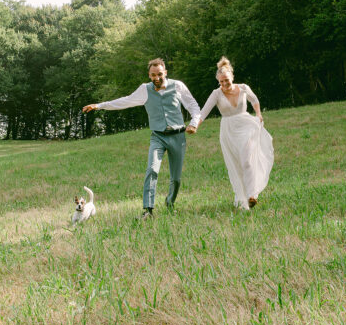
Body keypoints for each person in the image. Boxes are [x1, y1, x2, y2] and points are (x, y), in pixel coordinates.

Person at [83, 58, 201, 219]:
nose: (157, 78)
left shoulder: (178, 86)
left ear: (165, 73)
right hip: (158, 137)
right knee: (152, 170)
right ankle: (148, 210)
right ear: (149, 75)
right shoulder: (145, 90)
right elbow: (125, 101)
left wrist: (194, 123)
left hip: (178, 136)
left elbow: (193, 105)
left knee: (176, 179)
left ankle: (170, 202)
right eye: (153, 75)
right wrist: (100, 105)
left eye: (160, 74)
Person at [186, 57, 273, 210]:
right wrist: (194, 126)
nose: (224, 84)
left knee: (247, 160)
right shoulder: (216, 94)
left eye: (226, 80)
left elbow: (255, 100)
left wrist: (258, 114)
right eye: (221, 82)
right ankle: (243, 197)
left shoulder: (244, 88)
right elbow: (204, 112)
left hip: (246, 125)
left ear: (232, 77)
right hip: (229, 131)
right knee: (236, 163)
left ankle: (252, 195)